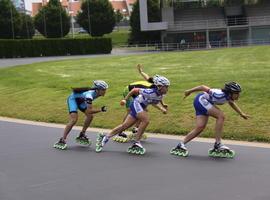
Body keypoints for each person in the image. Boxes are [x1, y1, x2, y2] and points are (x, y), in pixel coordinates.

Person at [170, 82, 250, 158]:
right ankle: (218, 144)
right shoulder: (218, 94)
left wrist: (241, 114)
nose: (238, 95)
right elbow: (202, 87)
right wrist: (189, 91)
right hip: (201, 100)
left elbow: (231, 103)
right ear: (230, 93)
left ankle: (181, 144)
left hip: (203, 102)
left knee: (200, 127)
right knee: (221, 116)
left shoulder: (228, 97)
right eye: (237, 93)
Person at [96, 76, 170, 155]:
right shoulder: (150, 92)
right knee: (146, 120)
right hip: (136, 104)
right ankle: (136, 142)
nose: (167, 89)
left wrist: (162, 108)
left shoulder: (160, 95)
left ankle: (105, 137)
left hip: (141, 106)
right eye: (166, 87)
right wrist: (125, 99)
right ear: (160, 87)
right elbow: (134, 90)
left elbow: (154, 102)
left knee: (125, 126)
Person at [114, 64, 168, 143]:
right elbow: (153, 101)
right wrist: (161, 108)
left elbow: (157, 96)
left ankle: (136, 129)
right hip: (129, 90)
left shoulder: (156, 88)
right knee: (130, 111)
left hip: (138, 93)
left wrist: (141, 71)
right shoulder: (150, 90)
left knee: (143, 111)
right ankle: (120, 132)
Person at [54, 80, 109, 150]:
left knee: (90, 117)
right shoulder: (89, 96)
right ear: (97, 90)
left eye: (105, 90)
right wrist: (101, 110)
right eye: (103, 90)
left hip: (80, 101)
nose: (105, 91)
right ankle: (62, 139)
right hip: (73, 100)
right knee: (74, 120)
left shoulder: (96, 93)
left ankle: (82, 134)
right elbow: (89, 111)